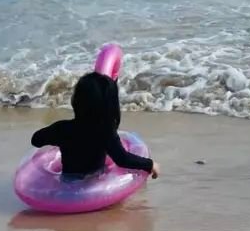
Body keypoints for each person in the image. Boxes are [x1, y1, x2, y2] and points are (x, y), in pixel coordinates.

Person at [30, 70, 159, 181]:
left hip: (68, 183)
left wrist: (57, 138)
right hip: (93, 182)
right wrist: (150, 164)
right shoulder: (106, 133)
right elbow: (123, 159)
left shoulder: (62, 128)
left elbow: (36, 140)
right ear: (110, 106)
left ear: (76, 101)